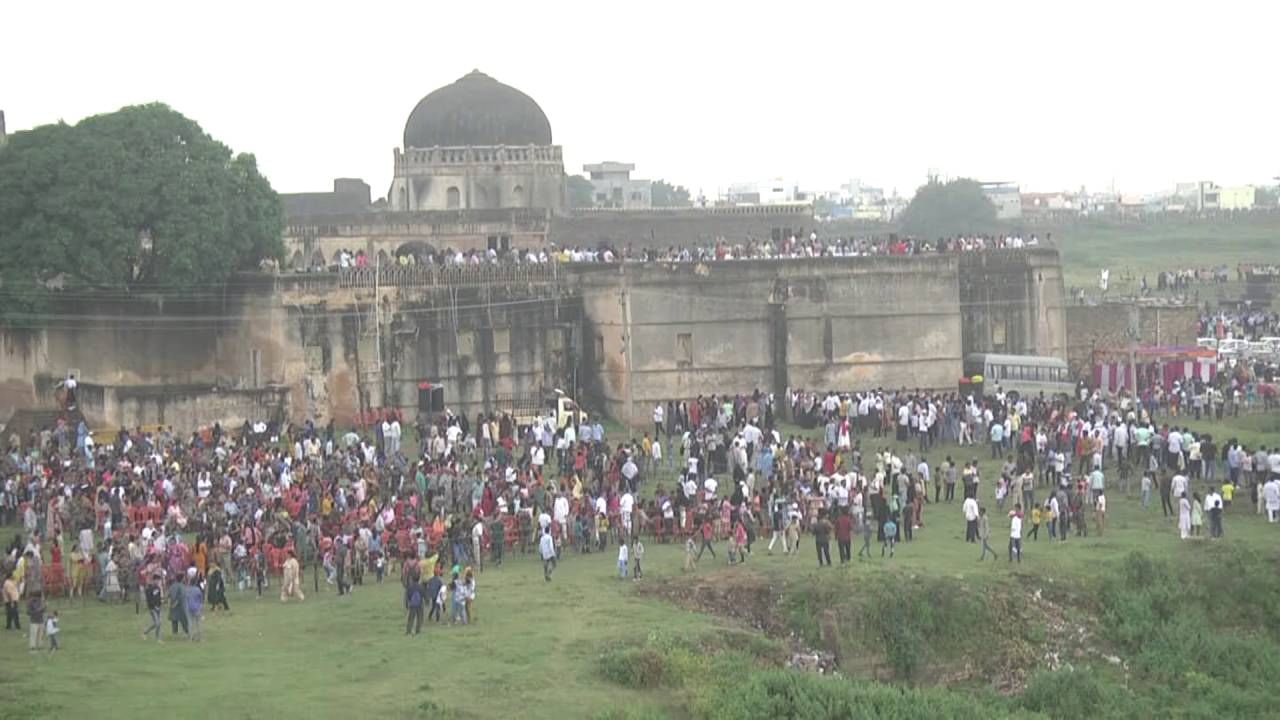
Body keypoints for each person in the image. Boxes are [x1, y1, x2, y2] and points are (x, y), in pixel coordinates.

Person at [143, 573, 163, 641]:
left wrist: (160, 605)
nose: (158, 582)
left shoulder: (158, 588)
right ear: (154, 580)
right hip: (152, 608)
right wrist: (154, 607)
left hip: (158, 608)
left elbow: (158, 598)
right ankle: (158, 638)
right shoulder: (149, 588)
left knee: (157, 623)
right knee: (157, 623)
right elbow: (149, 599)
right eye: (157, 580)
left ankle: (145, 632)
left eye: (159, 580)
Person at [186, 576, 204, 642]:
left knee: (190, 623)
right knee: (198, 623)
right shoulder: (197, 589)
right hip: (197, 608)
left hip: (189, 607)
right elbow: (201, 598)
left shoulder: (187, 589)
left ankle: (191, 637)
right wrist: (201, 607)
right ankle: (200, 637)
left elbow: (186, 598)